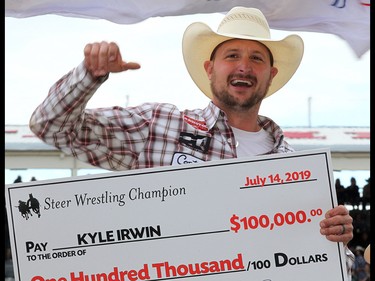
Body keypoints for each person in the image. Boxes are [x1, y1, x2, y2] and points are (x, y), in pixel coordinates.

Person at [29, 6, 354, 278]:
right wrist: (89, 75)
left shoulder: (296, 169)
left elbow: (334, 267)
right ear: (210, 69)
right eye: (232, 55)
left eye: (257, 58)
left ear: (271, 75)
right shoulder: (157, 126)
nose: (244, 65)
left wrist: (335, 241)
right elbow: (50, 126)